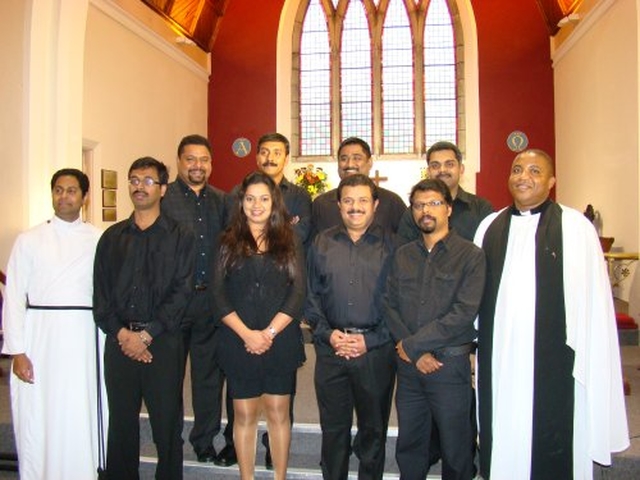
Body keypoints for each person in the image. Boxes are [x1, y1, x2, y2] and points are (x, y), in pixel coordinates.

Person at [473, 149, 629, 479]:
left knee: (555, 431)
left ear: (551, 181)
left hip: (556, 357)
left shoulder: (576, 228)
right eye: (517, 169)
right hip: (499, 356)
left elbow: (594, 300)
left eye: (534, 170)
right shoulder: (489, 227)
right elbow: (474, 294)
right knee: (501, 428)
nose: (523, 176)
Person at [94, 157, 195, 480]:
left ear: (163, 189)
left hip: (163, 343)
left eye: (148, 181)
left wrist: (147, 335)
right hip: (120, 344)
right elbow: (101, 295)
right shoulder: (111, 238)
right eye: (134, 179)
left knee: (166, 425)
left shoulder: (181, 236)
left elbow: (182, 292)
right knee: (121, 425)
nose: (140, 186)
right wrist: (123, 335)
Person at [1, 169, 103, 480]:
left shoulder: (99, 239)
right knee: (41, 411)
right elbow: (15, 295)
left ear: (84, 197)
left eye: (72, 190)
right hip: (40, 337)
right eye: (58, 190)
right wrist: (17, 351)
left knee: (79, 408)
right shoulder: (29, 240)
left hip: (84, 336)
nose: (64, 196)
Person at [383, 178, 486, 480]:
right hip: (409, 368)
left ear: (449, 209)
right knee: (410, 445)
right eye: (418, 205)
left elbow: (463, 312)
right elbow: (388, 304)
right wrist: (412, 351)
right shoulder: (402, 255)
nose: (425, 210)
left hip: (449, 366)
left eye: (433, 203)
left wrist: (413, 346)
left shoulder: (470, 256)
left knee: (456, 448)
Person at [212, 171, 306, 480]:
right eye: (250, 198)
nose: (256, 205)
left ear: (274, 203)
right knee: (244, 414)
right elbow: (218, 294)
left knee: (279, 413)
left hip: (279, 341)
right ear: (241, 202)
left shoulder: (290, 240)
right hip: (238, 342)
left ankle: (279, 477)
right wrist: (247, 335)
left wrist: (268, 334)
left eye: (264, 198)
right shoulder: (227, 241)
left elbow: (298, 292)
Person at [305, 173, 397, 480]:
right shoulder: (321, 242)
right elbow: (310, 296)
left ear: (375, 205)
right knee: (333, 430)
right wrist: (328, 334)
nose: (354, 207)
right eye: (348, 201)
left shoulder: (395, 246)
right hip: (331, 351)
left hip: (375, 354)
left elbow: (400, 304)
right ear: (339, 204)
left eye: (362, 200)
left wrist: (370, 341)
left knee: (373, 431)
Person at [161, 134, 230, 464]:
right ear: (179, 162)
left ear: (211, 164)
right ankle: (169, 439)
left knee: (208, 378)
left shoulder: (223, 201)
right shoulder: (164, 199)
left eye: (203, 159)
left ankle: (204, 440)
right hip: (174, 304)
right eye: (190, 159)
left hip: (210, 304)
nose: (197, 165)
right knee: (169, 378)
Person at [397, 141, 492, 243]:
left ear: (461, 169)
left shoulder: (481, 209)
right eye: (435, 166)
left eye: (449, 164)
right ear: (428, 171)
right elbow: (404, 253)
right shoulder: (414, 212)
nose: (442, 170)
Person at [311, 137, 406, 236]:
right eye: (343, 159)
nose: (349, 164)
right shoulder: (321, 204)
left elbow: (406, 243)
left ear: (369, 162)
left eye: (357, 158)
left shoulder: (391, 201)